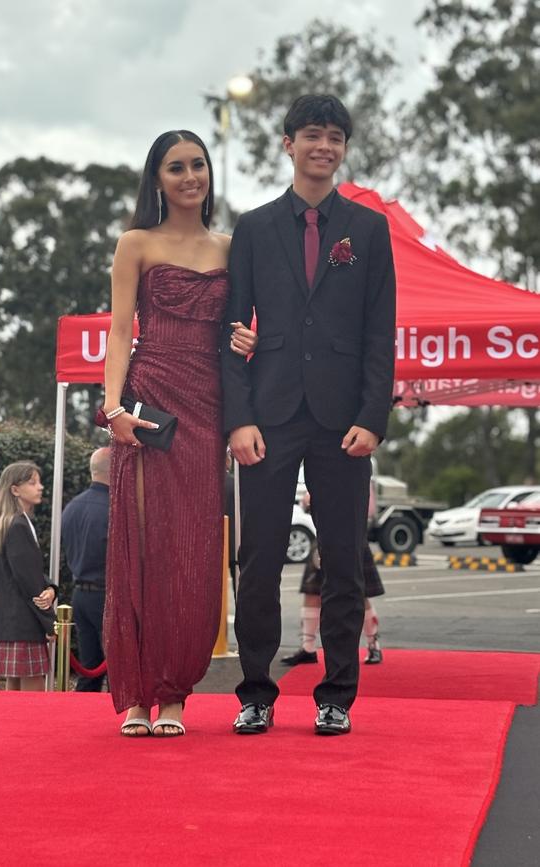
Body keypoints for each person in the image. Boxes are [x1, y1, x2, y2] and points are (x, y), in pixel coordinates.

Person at [221, 94, 396, 735]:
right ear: (288, 143)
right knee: (259, 561)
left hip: (343, 421)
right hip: (267, 418)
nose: (324, 146)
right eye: (312, 135)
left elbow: (382, 333)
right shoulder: (255, 227)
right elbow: (232, 328)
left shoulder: (367, 230)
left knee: (345, 562)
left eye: (335, 137)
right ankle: (257, 693)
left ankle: (336, 696)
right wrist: (237, 419)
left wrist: (374, 416)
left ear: (344, 148)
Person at [101, 130, 257, 737]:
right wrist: (113, 410)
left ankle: (174, 695)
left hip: (207, 403)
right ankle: (137, 693)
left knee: (192, 549)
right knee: (141, 541)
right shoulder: (135, 243)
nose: (190, 176)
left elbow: (238, 331)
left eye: (198, 165)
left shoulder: (230, 247)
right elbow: (119, 332)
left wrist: (245, 341)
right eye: (176, 167)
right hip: (149, 395)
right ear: (157, 179)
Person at [282, 490, 385, 666]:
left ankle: (373, 645)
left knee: (360, 593)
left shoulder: (357, 468)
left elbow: (367, 508)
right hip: (325, 534)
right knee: (312, 591)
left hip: (351, 536)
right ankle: (308, 649)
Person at [0, 462, 57, 691]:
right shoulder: (17, 525)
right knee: (31, 699)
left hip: (10, 622)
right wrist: (49, 622)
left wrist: (51, 586)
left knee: (13, 697)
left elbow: (28, 572)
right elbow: (29, 582)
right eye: (32, 482)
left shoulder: (7, 523)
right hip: (24, 622)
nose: (41, 487)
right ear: (15, 490)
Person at [61, 447, 111, 692]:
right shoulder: (115, 508)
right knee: (117, 669)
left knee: (89, 667)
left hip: (80, 594)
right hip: (107, 595)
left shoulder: (72, 507)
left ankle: (81, 719)